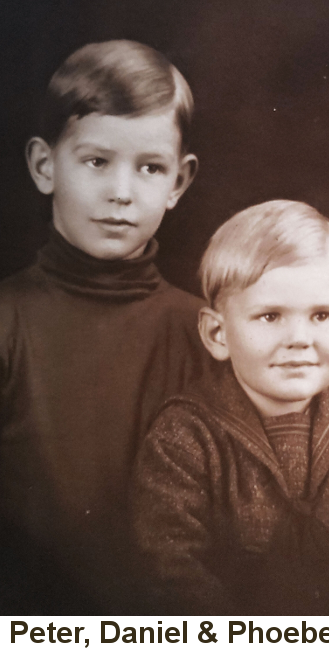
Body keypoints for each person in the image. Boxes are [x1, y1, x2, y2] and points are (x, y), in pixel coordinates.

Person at [131, 200, 329, 615]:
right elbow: (170, 568)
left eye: (322, 315)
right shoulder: (185, 435)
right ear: (217, 333)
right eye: (270, 317)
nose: (299, 338)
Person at [0, 39, 206, 614]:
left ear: (179, 183)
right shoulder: (7, 324)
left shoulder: (205, 334)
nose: (120, 192)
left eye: (149, 168)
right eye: (96, 161)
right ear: (45, 166)